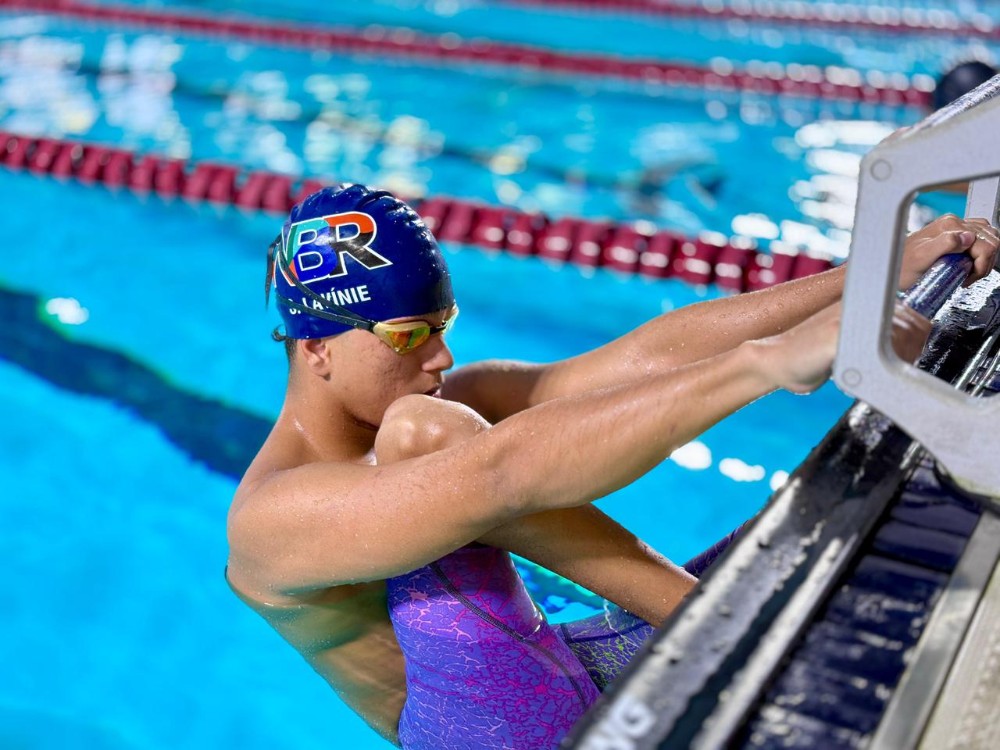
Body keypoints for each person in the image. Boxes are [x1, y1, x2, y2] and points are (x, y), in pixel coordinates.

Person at [225, 183, 998, 749]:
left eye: (442, 326)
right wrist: (764, 365)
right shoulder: (272, 519)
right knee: (433, 436)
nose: (442, 357)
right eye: (409, 336)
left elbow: (641, 359)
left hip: (564, 661)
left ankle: (716, 617)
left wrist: (877, 276)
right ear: (317, 347)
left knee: (807, 537)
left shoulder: (438, 402)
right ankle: (717, 622)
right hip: (499, 734)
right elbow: (499, 476)